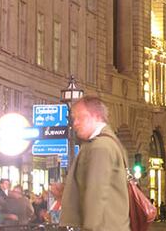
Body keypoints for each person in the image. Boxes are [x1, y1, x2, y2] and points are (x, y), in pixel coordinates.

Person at [59, 95, 130, 230]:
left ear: (96, 116)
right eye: (74, 118)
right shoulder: (103, 143)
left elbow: (96, 192)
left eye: (80, 117)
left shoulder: (100, 147)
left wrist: (90, 227)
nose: (75, 123)